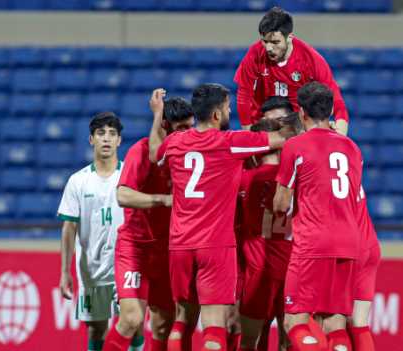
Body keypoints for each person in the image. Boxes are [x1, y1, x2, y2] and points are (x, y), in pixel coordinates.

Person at [148, 83, 289, 351]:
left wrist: (157, 114)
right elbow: (280, 139)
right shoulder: (230, 142)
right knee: (214, 325)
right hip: (215, 246)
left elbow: (155, 151)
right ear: (216, 115)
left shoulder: (175, 142)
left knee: (181, 321)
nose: (229, 111)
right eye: (227, 107)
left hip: (179, 245)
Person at [273, 82, 363, 351]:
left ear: (302, 113)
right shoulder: (352, 148)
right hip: (348, 241)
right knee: (334, 325)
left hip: (313, 242)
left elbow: (280, 203)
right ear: (332, 111)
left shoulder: (296, 146)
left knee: (294, 322)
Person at [102, 98, 196, 351]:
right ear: (164, 126)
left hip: (169, 251)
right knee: (132, 318)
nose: (188, 134)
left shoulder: (191, 155)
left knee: (164, 325)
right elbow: (123, 195)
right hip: (136, 248)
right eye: (181, 129)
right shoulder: (142, 151)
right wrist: (164, 200)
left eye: (191, 127)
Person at [58, 112, 129, 351]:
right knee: (96, 329)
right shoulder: (78, 181)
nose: (106, 139)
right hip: (92, 269)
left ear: (119, 140)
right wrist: (65, 271)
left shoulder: (130, 175)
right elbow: (69, 228)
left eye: (112, 134)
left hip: (127, 264)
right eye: (101, 134)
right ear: (91, 140)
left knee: (133, 321)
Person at [237, 97, 298, 351]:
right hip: (290, 267)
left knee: (248, 340)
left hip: (256, 270)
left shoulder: (243, 178)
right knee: (289, 339)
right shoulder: (299, 177)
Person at [234, 6, 349, 135]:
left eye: (275, 42)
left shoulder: (311, 59)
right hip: (264, 122)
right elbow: (243, 96)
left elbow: (336, 99)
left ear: (289, 37)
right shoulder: (254, 54)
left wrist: (340, 132)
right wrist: (248, 133)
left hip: (297, 126)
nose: (268, 48)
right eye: (265, 41)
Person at [349, 186, 381, 351]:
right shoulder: (351, 165)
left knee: (332, 323)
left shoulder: (323, 173)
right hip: (370, 244)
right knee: (359, 322)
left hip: (350, 249)